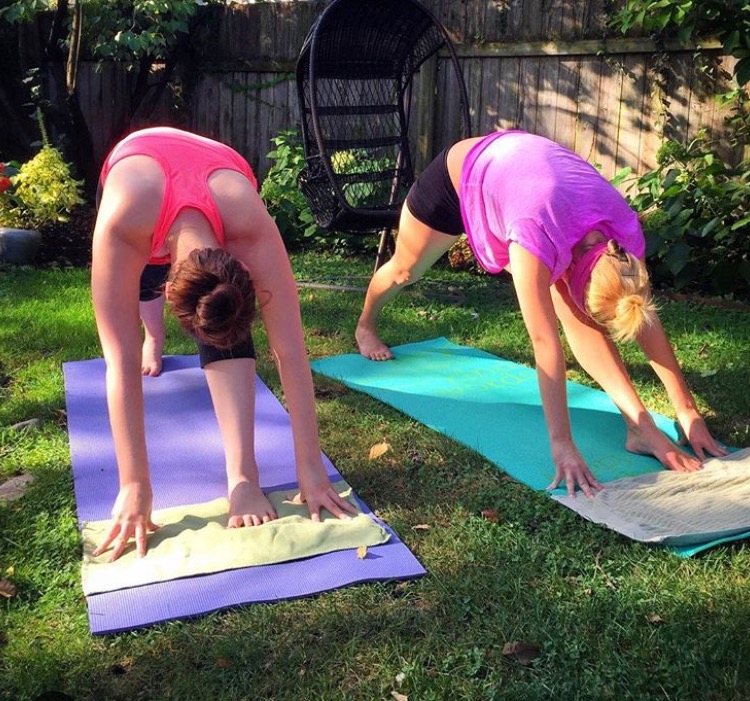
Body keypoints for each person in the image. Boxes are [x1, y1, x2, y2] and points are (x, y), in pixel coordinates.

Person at [355, 130, 727, 496]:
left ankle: (640, 427)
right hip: (460, 177)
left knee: (578, 314)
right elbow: (544, 343)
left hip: (532, 185)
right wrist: (562, 444)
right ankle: (365, 324)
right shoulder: (535, 236)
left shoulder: (623, 240)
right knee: (406, 271)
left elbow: (640, 313)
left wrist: (688, 411)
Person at [91, 126, 356, 562]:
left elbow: (291, 351)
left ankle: (242, 475)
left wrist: (311, 469)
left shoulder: (250, 228)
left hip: (218, 169)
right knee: (138, 290)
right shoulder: (123, 224)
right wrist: (133, 485)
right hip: (135, 164)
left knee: (221, 316)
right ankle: (153, 335)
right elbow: (117, 366)